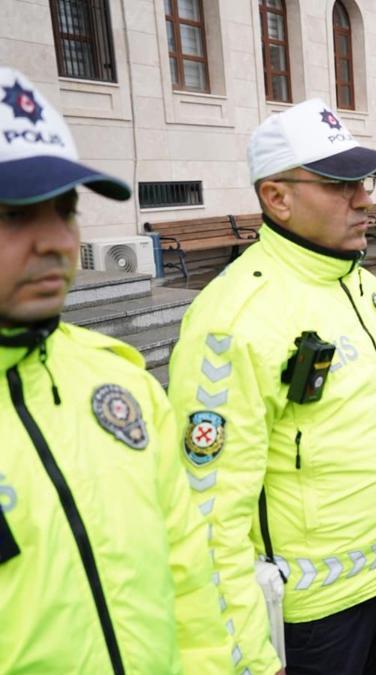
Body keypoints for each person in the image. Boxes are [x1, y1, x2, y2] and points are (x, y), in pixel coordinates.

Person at [167, 98, 376, 674]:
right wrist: (248, 654)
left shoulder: (365, 286)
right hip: (311, 620)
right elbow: (207, 515)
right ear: (276, 197)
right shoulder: (232, 320)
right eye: (340, 183)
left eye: (366, 180)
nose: (365, 197)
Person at [0, 66, 231, 674]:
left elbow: (186, 569)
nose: (55, 240)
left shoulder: (117, 380)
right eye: (13, 215)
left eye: (64, 209)